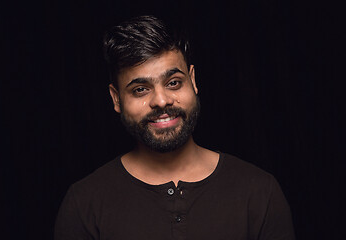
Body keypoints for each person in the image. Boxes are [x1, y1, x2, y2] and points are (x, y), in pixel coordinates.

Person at [54, 15, 295, 240]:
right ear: (116, 99)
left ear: (193, 81)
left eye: (174, 83)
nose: (161, 100)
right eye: (140, 89)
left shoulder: (259, 192)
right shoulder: (84, 204)